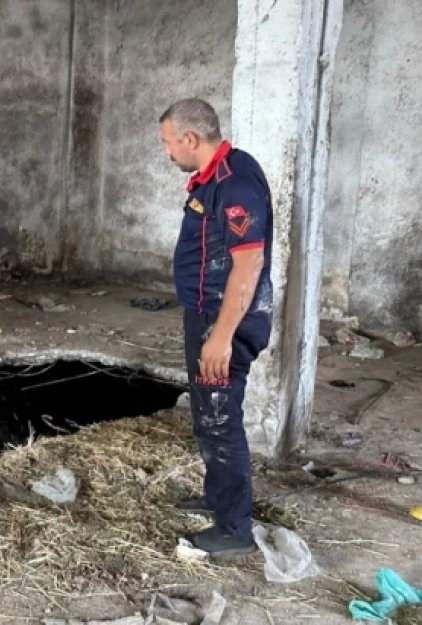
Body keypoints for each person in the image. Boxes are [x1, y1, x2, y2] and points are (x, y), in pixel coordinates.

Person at [159, 98, 273, 558]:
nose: (167, 152)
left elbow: (248, 265)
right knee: (209, 416)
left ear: (190, 139)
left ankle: (234, 530)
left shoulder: (235, 183)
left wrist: (221, 337)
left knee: (221, 420)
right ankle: (217, 499)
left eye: (168, 142)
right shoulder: (220, 175)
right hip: (207, 313)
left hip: (223, 320)